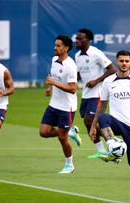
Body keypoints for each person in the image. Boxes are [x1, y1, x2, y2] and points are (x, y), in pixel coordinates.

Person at [89, 50, 130, 203]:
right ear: (116, 62)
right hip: (115, 123)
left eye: (127, 61)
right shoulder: (108, 81)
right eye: (121, 61)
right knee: (103, 117)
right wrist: (93, 125)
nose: (124, 63)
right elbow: (102, 105)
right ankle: (113, 145)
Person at [74, 28, 116, 158]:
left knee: (90, 120)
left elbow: (112, 69)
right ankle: (101, 150)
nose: (77, 41)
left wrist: (97, 81)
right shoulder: (77, 56)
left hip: (97, 93)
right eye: (77, 38)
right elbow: (80, 75)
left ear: (88, 40)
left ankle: (114, 143)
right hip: (86, 93)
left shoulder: (96, 53)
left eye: (80, 39)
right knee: (88, 123)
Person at [39, 35, 78, 173]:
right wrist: (50, 88)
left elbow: (73, 89)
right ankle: (70, 131)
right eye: (55, 45)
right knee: (43, 132)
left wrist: (54, 83)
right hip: (53, 104)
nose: (55, 48)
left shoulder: (71, 65)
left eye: (58, 45)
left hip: (67, 107)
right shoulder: (54, 60)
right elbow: (54, 78)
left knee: (62, 137)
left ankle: (69, 165)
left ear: (66, 48)